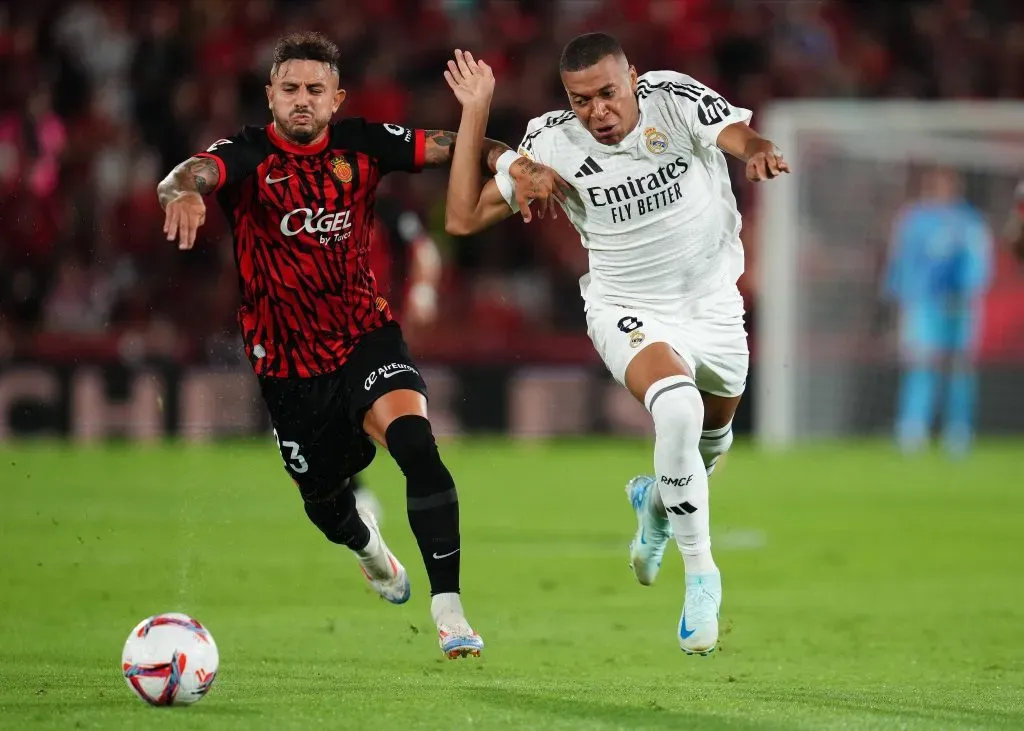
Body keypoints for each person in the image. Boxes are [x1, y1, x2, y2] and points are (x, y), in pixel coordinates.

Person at [156, 31, 561, 659]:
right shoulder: (244, 154)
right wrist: (180, 191)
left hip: (364, 338)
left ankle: (450, 613)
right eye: (289, 88)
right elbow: (190, 172)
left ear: (336, 98)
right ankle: (371, 551)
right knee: (327, 507)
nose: (301, 100)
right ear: (270, 95)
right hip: (287, 369)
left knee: (417, 445)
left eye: (315, 90)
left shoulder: (364, 144)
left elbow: (463, 147)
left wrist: (513, 164)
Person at [441, 34, 790, 656]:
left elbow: (734, 135)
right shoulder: (550, 143)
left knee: (707, 449)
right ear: (567, 100)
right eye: (582, 100)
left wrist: (759, 148)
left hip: (713, 303)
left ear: (633, 77)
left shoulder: (673, 98)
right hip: (627, 308)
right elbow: (463, 219)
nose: (598, 111)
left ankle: (654, 504)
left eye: (608, 93)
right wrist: (494, 139)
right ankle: (702, 577)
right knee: (677, 408)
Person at [883, 168, 993, 457]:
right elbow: (902, 262)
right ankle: (912, 430)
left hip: (961, 304)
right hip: (923, 304)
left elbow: (980, 264)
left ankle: (958, 432)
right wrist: (902, 298)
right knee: (921, 365)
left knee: (960, 368)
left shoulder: (969, 221)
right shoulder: (914, 220)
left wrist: (969, 291)